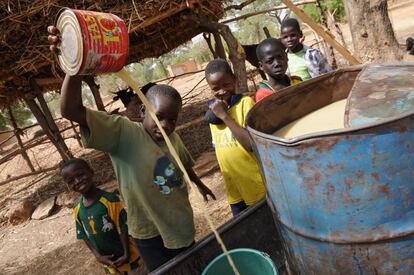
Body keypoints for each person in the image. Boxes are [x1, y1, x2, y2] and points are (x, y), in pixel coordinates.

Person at [48, 27, 215, 272]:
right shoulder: (123, 134)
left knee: (190, 268)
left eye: (172, 119)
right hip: (148, 232)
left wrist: (200, 184)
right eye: (159, 117)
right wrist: (74, 66)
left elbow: (184, 165)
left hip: (180, 223)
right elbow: (70, 111)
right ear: (142, 112)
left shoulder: (173, 138)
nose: (165, 125)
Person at [205, 58, 266, 216]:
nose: (222, 91)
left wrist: (225, 116)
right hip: (234, 189)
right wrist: (219, 114)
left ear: (234, 79)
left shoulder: (245, 104)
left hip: (255, 185)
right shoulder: (214, 113)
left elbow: (251, 145)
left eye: (226, 85)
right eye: (216, 88)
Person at [60, 158, 141, 274]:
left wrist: (126, 254)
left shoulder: (110, 200)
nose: (77, 181)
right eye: (71, 181)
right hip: (109, 264)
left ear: (91, 172)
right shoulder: (77, 207)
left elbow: (123, 227)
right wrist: (98, 256)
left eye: (80, 175)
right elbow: (82, 233)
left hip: (129, 258)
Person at [255, 38, 302, 102]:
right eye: (270, 61)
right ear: (261, 66)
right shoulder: (263, 95)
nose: (277, 64)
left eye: (280, 57)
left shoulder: (297, 82)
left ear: (286, 57)